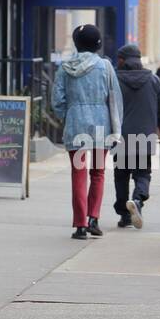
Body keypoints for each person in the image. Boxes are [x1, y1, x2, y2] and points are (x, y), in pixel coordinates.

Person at [51, 24, 122, 240]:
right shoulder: (106, 67)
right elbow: (114, 99)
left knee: (78, 175)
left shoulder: (65, 68)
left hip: (76, 124)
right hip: (102, 125)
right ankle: (94, 218)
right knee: (98, 173)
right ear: (98, 44)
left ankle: (80, 225)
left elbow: (57, 101)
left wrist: (69, 115)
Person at [113, 44, 160, 229]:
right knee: (142, 174)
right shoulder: (154, 80)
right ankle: (138, 199)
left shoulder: (115, 80)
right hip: (145, 135)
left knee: (121, 175)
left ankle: (124, 215)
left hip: (122, 136)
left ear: (122, 60)